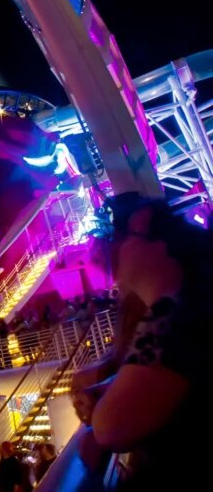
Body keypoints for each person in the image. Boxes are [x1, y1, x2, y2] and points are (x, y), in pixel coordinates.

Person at [73, 193, 211, 491]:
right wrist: (110, 385)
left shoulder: (187, 310)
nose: (113, 246)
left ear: (152, 239)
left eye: (120, 235)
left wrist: (161, 290)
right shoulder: (186, 305)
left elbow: (112, 427)